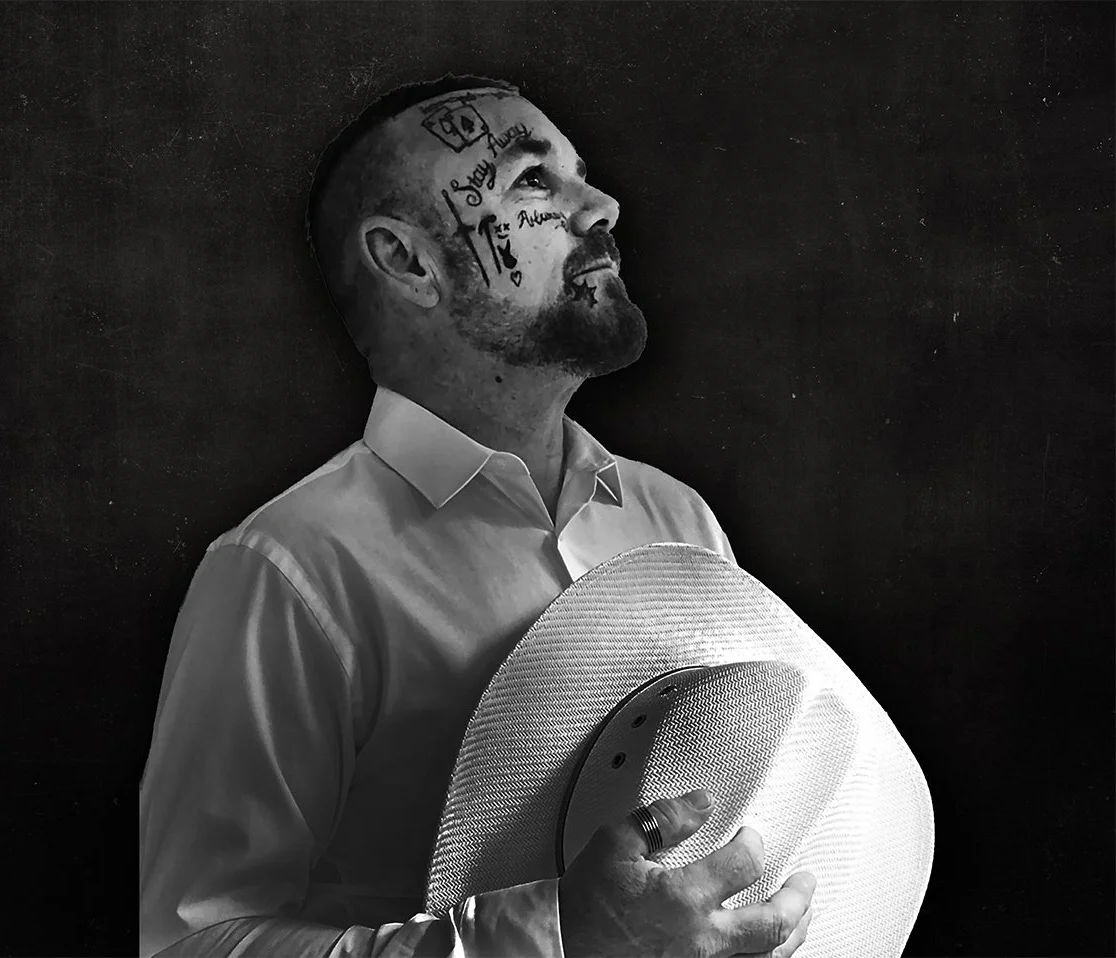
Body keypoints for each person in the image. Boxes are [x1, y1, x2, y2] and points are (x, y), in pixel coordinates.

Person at [139, 75, 816, 957]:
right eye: (533, 181)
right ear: (408, 261)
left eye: (581, 173)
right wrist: (550, 938)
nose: (603, 205)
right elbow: (192, 943)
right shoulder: (290, 569)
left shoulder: (677, 517)